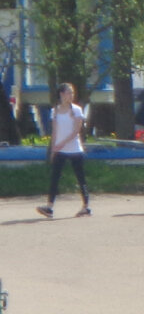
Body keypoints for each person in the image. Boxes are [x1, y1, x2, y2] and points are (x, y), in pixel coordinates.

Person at [36, 83, 91, 219]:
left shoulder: (76, 110)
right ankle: (49, 207)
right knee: (55, 178)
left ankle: (86, 207)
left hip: (74, 150)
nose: (71, 96)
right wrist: (54, 148)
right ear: (61, 94)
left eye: (72, 93)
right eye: (68, 93)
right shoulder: (54, 111)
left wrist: (61, 144)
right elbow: (55, 131)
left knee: (80, 178)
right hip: (60, 150)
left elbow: (76, 131)